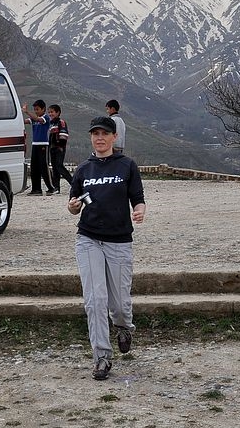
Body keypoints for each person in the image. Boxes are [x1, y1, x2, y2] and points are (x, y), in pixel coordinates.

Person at [67, 116, 146, 381]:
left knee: (120, 303)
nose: (99, 138)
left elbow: (137, 198)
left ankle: (123, 327)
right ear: (91, 138)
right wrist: (72, 206)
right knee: (95, 300)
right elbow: (73, 201)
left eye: (104, 133)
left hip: (119, 240)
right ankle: (101, 357)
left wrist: (139, 210)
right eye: (95, 134)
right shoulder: (84, 169)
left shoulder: (127, 166)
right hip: (88, 238)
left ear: (114, 137)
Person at [22, 99, 55, 195]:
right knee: (34, 167)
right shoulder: (33, 118)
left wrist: (27, 112)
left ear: (43, 109)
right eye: (35, 110)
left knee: (44, 167)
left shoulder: (46, 118)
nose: (36, 111)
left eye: (37, 109)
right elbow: (25, 121)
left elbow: (38, 119)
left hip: (43, 145)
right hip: (35, 145)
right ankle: (36, 189)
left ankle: (51, 188)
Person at [47, 104, 72, 195]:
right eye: (49, 112)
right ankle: (56, 188)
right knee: (55, 168)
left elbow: (64, 134)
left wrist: (61, 145)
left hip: (59, 148)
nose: (50, 114)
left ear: (58, 112)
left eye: (52, 112)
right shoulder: (51, 123)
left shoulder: (61, 122)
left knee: (59, 166)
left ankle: (73, 183)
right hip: (52, 148)